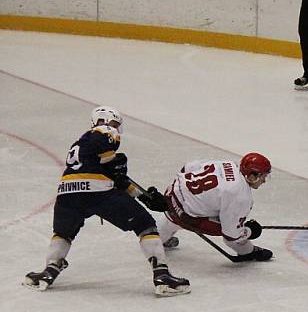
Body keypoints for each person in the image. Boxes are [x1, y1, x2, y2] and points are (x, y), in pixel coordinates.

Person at [23, 106, 190, 297]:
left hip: (67, 193)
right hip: (97, 191)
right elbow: (113, 170)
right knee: (145, 225)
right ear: (104, 120)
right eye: (115, 124)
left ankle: (49, 270)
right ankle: (162, 275)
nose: (116, 129)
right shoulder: (104, 132)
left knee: (63, 233)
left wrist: (144, 197)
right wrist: (122, 169)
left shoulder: (79, 144)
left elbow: (116, 177)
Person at [156, 153, 273, 262]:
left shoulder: (228, 164)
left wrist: (188, 195)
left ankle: (157, 238)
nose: (264, 181)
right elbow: (231, 234)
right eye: (263, 176)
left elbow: (188, 167)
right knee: (229, 228)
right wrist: (249, 231)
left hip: (171, 193)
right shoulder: (240, 195)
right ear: (252, 176)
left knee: (181, 211)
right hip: (185, 214)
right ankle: (247, 252)